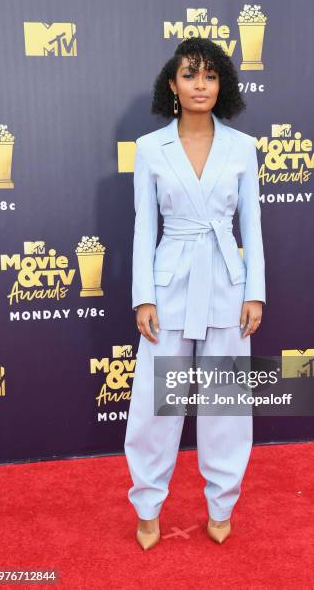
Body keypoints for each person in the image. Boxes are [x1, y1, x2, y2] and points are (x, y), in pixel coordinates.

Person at [124, 36, 266, 550]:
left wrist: (256, 292)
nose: (200, 84)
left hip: (228, 283)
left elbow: (252, 226)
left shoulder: (243, 148)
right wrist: (144, 297)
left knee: (224, 402)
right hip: (169, 285)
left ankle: (222, 503)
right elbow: (144, 228)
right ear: (173, 84)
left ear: (221, 84)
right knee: (156, 404)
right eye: (190, 74)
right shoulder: (148, 148)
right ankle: (147, 504)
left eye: (209, 75)